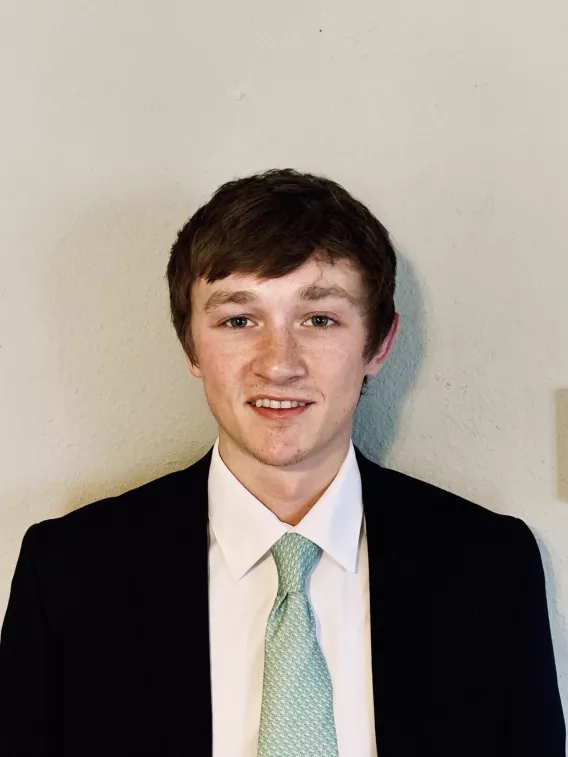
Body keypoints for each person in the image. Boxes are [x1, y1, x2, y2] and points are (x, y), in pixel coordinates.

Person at [0, 168, 565, 757]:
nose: (278, 364)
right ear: (190, 345)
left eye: (319, 319)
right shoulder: (68, 574)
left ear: (378, 343)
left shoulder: (491, 567)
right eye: (238, 320)